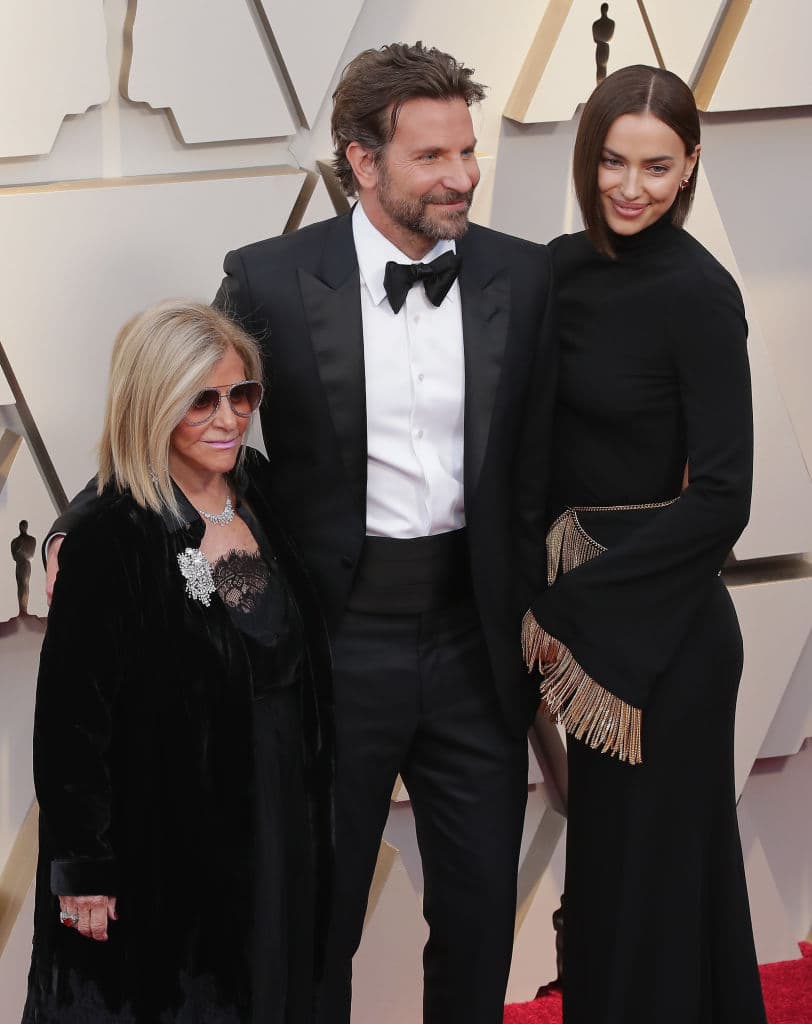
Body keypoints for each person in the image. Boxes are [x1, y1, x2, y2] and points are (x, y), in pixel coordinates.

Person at [47, 42, 556, 1024]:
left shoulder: (522, 276)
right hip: (334, 647)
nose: (460, 176)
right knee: (316, 924)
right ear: (362, 161)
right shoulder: (273, 277)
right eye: (430, 156)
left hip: (476, 646)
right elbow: (179, 407)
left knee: (480, 919)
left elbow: (546, 454)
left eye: (466, 150)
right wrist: (85, 520)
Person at [523, 66, 767, 1023]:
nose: (631, 188)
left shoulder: (701, 293)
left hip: (666, 641)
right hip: (585, 626)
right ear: (588, 158)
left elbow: (725, 497)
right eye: (613, 162)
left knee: (662, 881)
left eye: (657, 167)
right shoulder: (552, 271)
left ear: (690, 164)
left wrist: (565, 609)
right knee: (609, 879)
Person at [25, 301, 333, 1023]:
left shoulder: (258, 494)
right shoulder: (112, 535)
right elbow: (71, 724)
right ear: (153, 403)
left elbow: (267, 641)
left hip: (276, 818)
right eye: (203, 401)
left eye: (241, 395)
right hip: (165, 850)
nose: (230, 419)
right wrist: (84, 866)